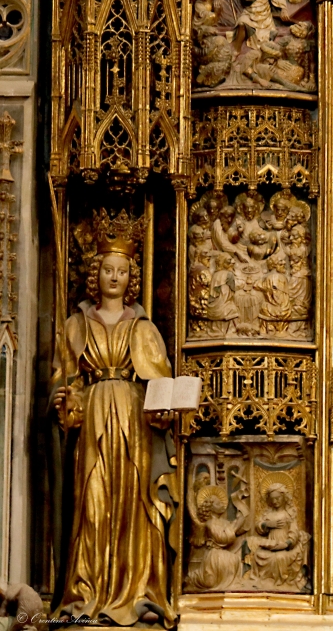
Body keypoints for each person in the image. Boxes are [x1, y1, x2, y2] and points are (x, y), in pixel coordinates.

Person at [51, 218, 176, 625]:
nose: (115, 278)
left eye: (122, 272)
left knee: (133, 508)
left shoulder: (144, 328)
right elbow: (64, 378)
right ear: (95, 273)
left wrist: (164, 409)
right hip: (93, 422)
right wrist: (64, 398)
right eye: (108, 269)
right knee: (93, 506)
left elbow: (160, 383)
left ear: (131, 278)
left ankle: (135, 587)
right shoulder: (75, 325)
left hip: (134, 422)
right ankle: (88, 592)